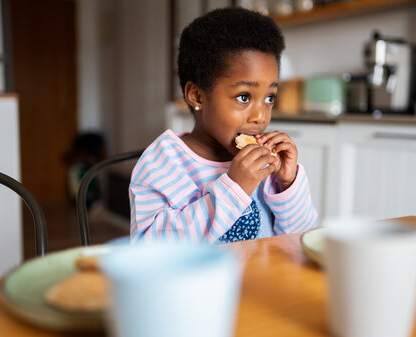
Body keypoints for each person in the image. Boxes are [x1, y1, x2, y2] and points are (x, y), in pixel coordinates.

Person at [129, 7, 318, 243]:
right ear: (197, 96)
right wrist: (235, 188)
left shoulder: (267, 166)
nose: (261, 116)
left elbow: (301, 239)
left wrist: (287, 184)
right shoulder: (162, 163)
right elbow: (149, 250)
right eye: (243, 97)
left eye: (270, 98)